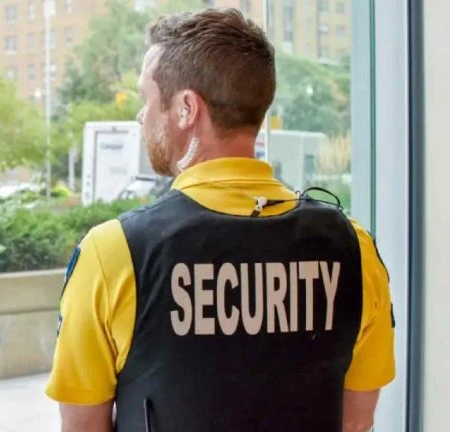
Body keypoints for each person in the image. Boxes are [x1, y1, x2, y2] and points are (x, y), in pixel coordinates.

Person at [46, 8, 394, 432]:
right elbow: (356, 422)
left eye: (146, 99)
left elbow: (82, 426)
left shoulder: (114, 255)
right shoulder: (355, 250)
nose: (142, 116)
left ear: (186, 108)